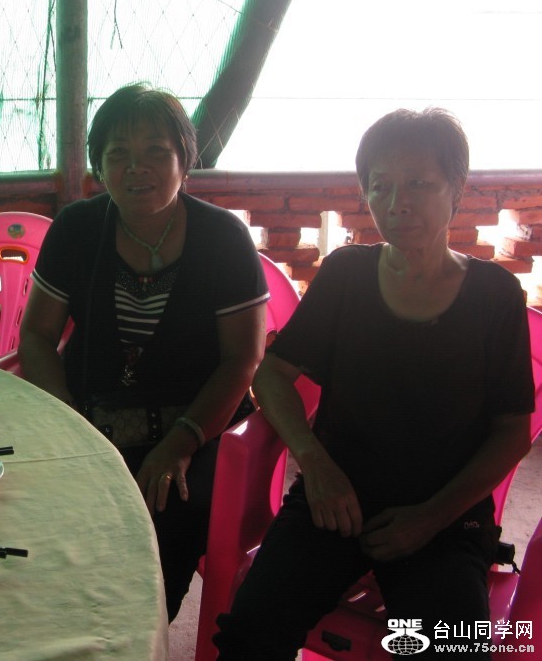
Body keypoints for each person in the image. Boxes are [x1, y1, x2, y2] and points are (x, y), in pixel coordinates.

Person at [214, 108, 535, 659]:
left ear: (456, 189)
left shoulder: (495, 295)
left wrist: (430, 518)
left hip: (445, 518)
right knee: (250, 632)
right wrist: (315, 464)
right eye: (380, 186)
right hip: (335, 500)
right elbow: (272, 374)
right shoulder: (347, 275)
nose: (397, 203)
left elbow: (512, 432)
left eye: (419, 184)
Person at [18, 83, 269, 621]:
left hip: (197, 426)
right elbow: (36, 335)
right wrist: (69, 423)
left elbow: (242, 360)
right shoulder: (77, 229)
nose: (137, 168)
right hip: (93, 420)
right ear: (100, 166)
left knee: (165, 518)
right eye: (119, 154)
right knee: (43, 515)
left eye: (156, 150)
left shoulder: (223, 238)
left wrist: (181, 443)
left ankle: (136, 632)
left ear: (185, 159)